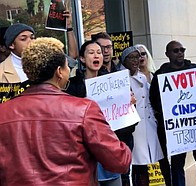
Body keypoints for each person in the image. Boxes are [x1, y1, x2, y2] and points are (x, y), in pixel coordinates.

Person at [0, 37, 131, 185]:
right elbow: (120, 160)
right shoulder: (83, 109)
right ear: (59, 72)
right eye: (67, 66)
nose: (69, 70)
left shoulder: (3, 112)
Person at [149, 40, 196, 186]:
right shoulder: (161, 75)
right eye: (176, 50)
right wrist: (164, 111)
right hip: (177, 129)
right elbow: (153, 99)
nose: (180, 53)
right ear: (167, 54)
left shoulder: (195, 69)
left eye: (182, 50)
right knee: (177, 165)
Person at [122, 45, 164, 186]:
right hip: (133, 128)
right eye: (131, 57)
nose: (136, 60)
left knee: (149, 164)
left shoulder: (143, 77)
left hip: (148, 125)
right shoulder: (121, 79)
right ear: (124, 60)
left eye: (137, 56)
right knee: (137, 165)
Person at [90, 32, 126, 186]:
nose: (105, 51)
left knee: (125, 176)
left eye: (108, 47)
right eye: (100, 48)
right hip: (99, 139)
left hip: (122, 136)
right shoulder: (85, 78)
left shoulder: (121, 73)